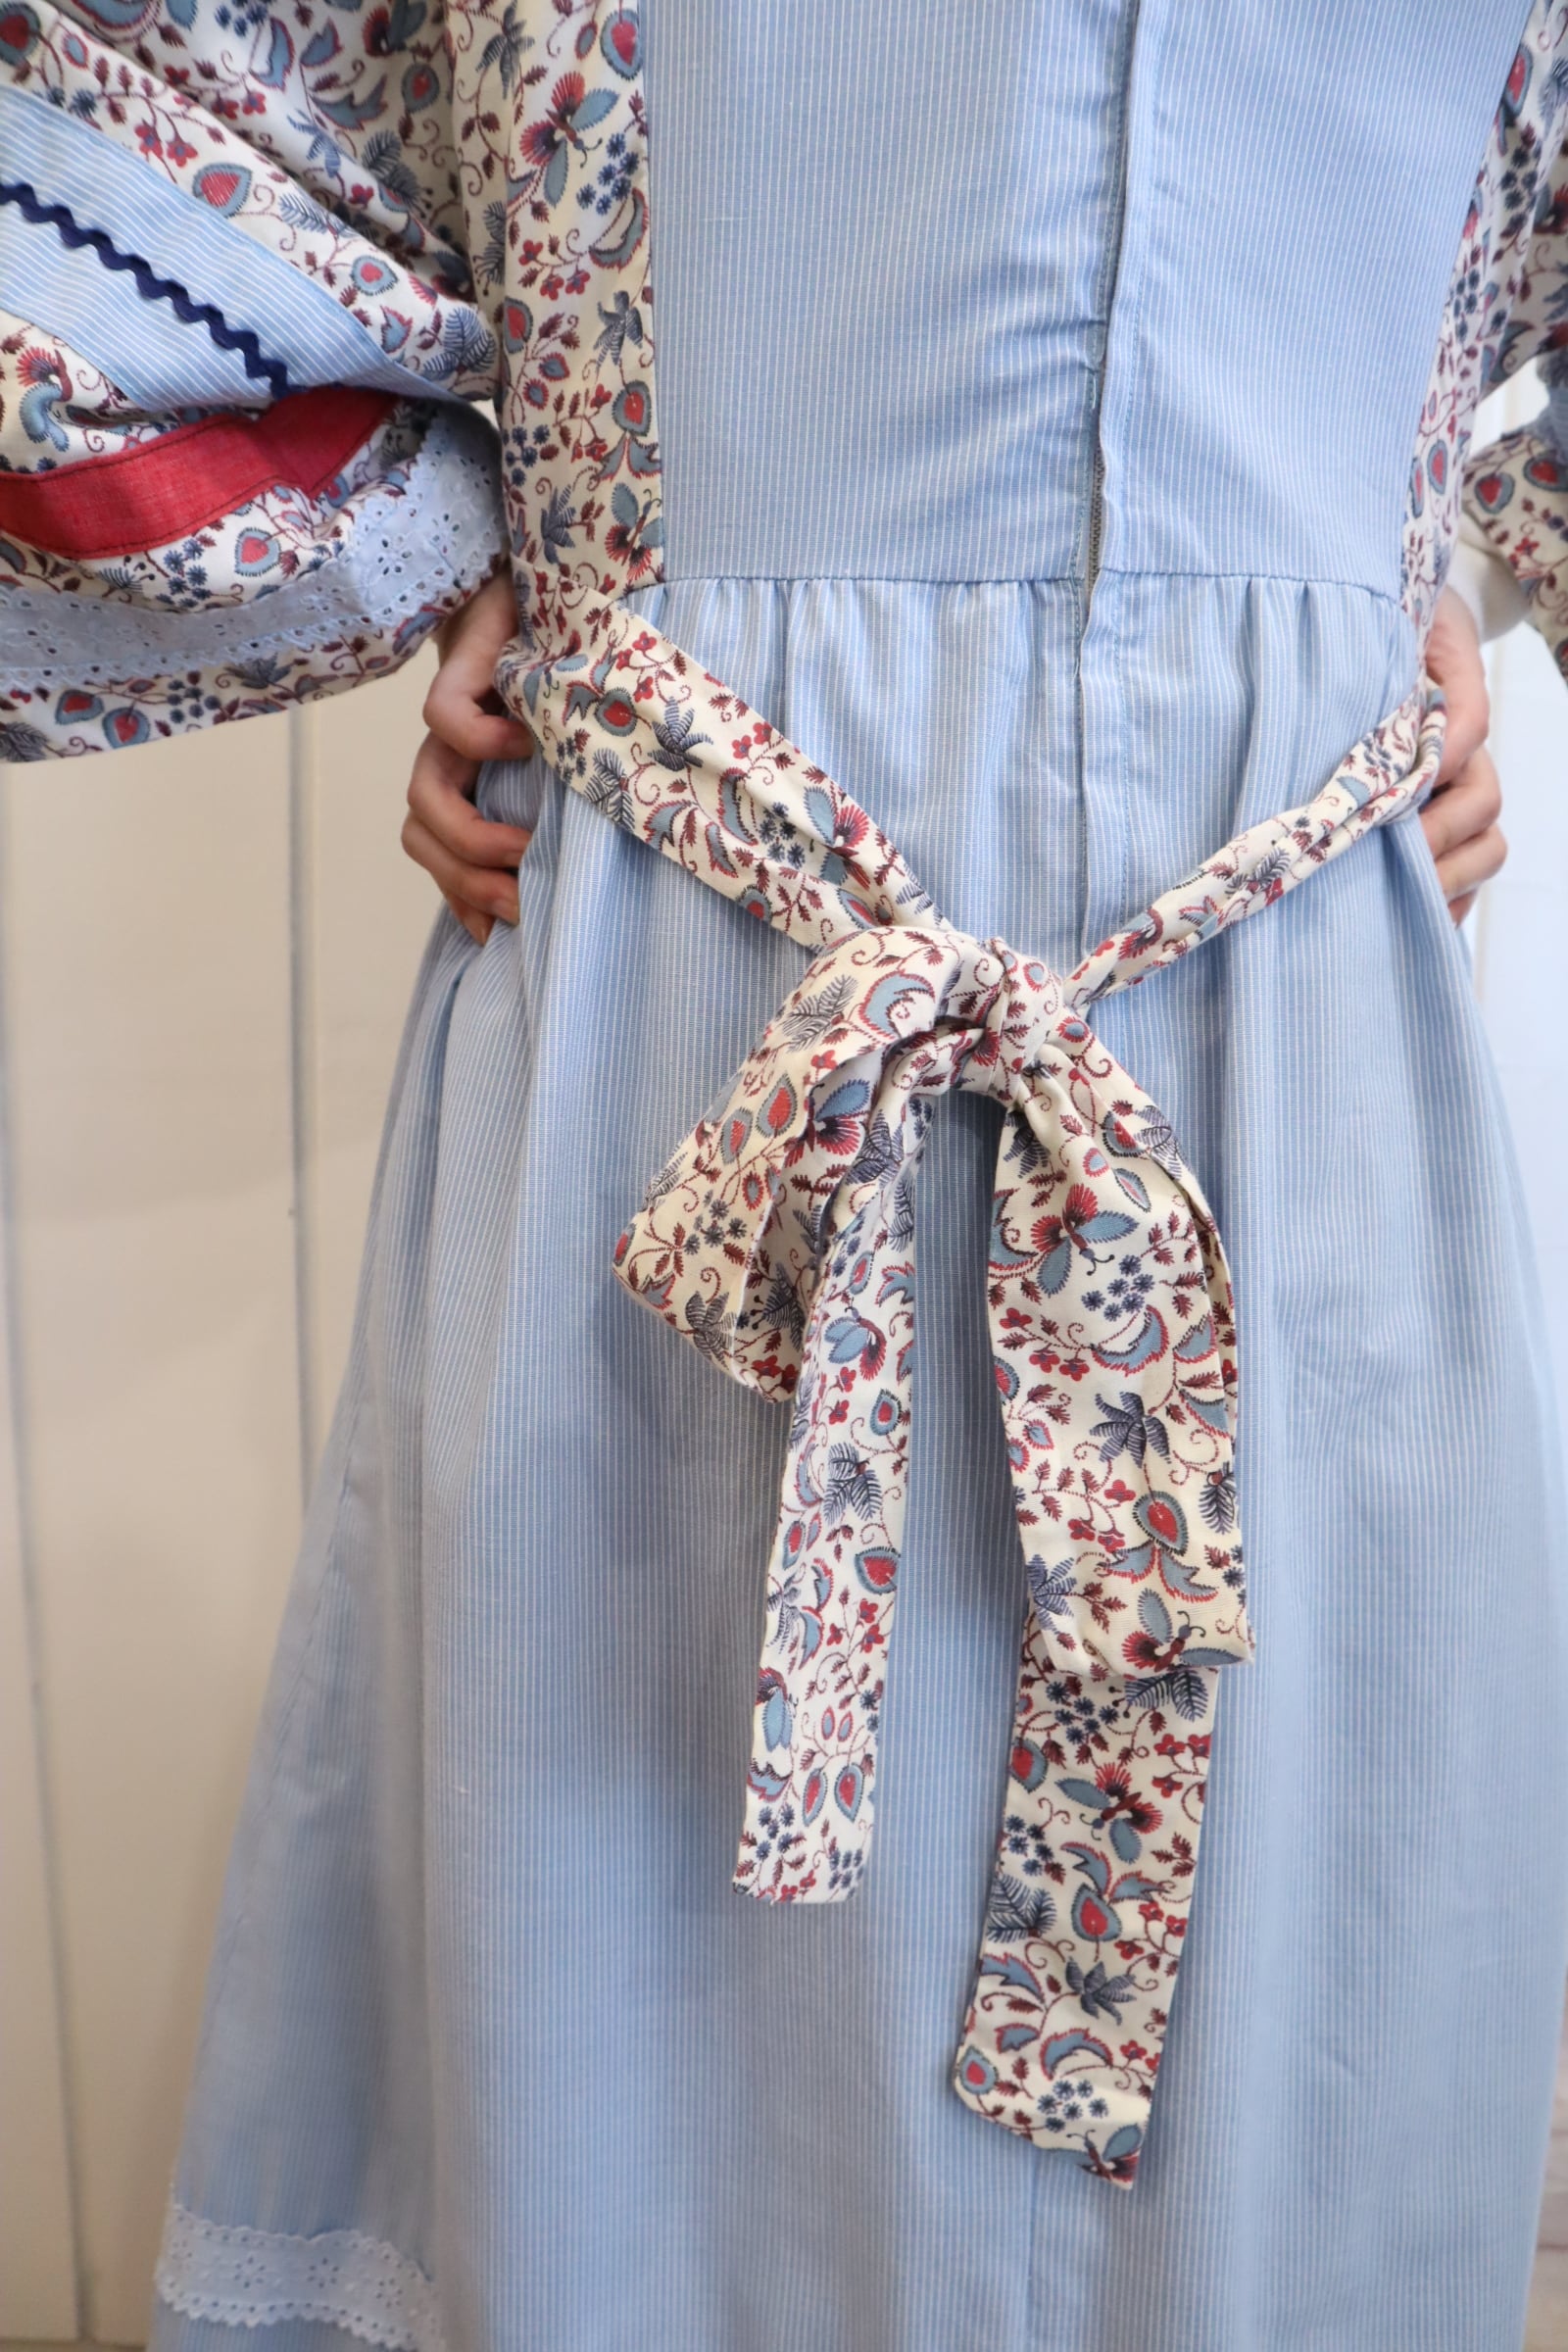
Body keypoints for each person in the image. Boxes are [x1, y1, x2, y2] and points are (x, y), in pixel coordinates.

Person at [2, 2, 1566, 2345]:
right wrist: (492, 546)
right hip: (700, 1006)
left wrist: (1392, 549)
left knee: (1278, 2057)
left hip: (1272, 1043)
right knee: (637, 2063)